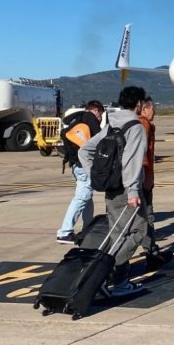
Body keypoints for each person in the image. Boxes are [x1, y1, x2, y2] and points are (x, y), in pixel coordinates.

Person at [77, 86, 150, 294]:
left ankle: (119, 282)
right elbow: (131, 161)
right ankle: (105, 274)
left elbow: (85, 150)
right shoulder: (135, 127)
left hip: (112, 189)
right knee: (138, 231)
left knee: (117, 233)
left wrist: (97, 175)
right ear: (138, 104)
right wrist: (134, 191)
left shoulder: (112, 123)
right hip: (127, 191)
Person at [55, 100, 105, 244]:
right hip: (85, 166)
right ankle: (64, 232)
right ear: (96, 110)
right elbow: (100, 140)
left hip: (76, 165)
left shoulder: (77, 119)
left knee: (87, 198)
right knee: (82, 197)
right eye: (100, 114)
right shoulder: (90, 118)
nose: (101, 118)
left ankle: (88, 228)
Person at [137, 97, 171, 269]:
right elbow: (142, 153)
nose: (155, 111)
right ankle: (150, 252)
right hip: (142, 179)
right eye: (152, 108)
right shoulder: (144, 125)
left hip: (138, 178)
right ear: (144, 109)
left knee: (143, 217)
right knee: (146, 217)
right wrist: (146, 177)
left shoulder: (138, 124)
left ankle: (151, 250)